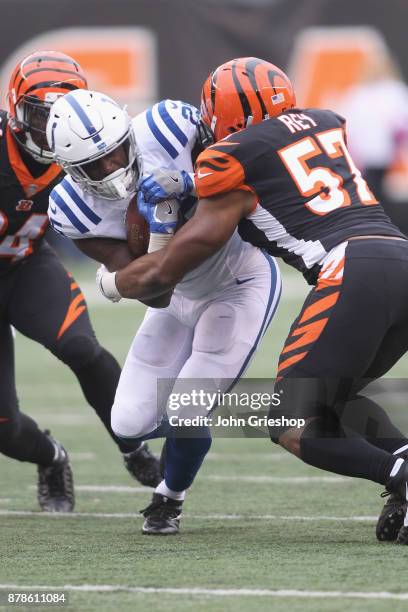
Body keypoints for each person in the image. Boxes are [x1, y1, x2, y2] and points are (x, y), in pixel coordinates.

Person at [96, 57, 408, 544]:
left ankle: (400, 477)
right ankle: (402, 468)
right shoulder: (326, 122)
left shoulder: (232, 156)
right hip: (398, 255)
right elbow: (285, 166)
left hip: (353, 269)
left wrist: (111, 283)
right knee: (337, 402)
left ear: (219, 117)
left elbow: (166, 271)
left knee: (288, 418)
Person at [46, 89, 282, 534]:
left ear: (127, 132)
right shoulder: (71, 207)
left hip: (238, 280)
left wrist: (192, 183)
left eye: (114, 153)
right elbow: (153, 293)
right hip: (174, 298)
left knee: (189, 409)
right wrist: (158, 235)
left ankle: (169, 497)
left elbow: (251, 172)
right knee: (128, 422)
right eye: (92, 165)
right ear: (69, 170)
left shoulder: (169, 127)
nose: (110, 168)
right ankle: (238, 412)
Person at [0, 50, 160, 513]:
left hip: (26, 268)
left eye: (59, 113)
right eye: (39, 113)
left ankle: (132, 445)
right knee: (5, 426)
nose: (49, 126)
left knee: (81, 348)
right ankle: (52, 458)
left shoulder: (83, 151)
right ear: (15, 110)